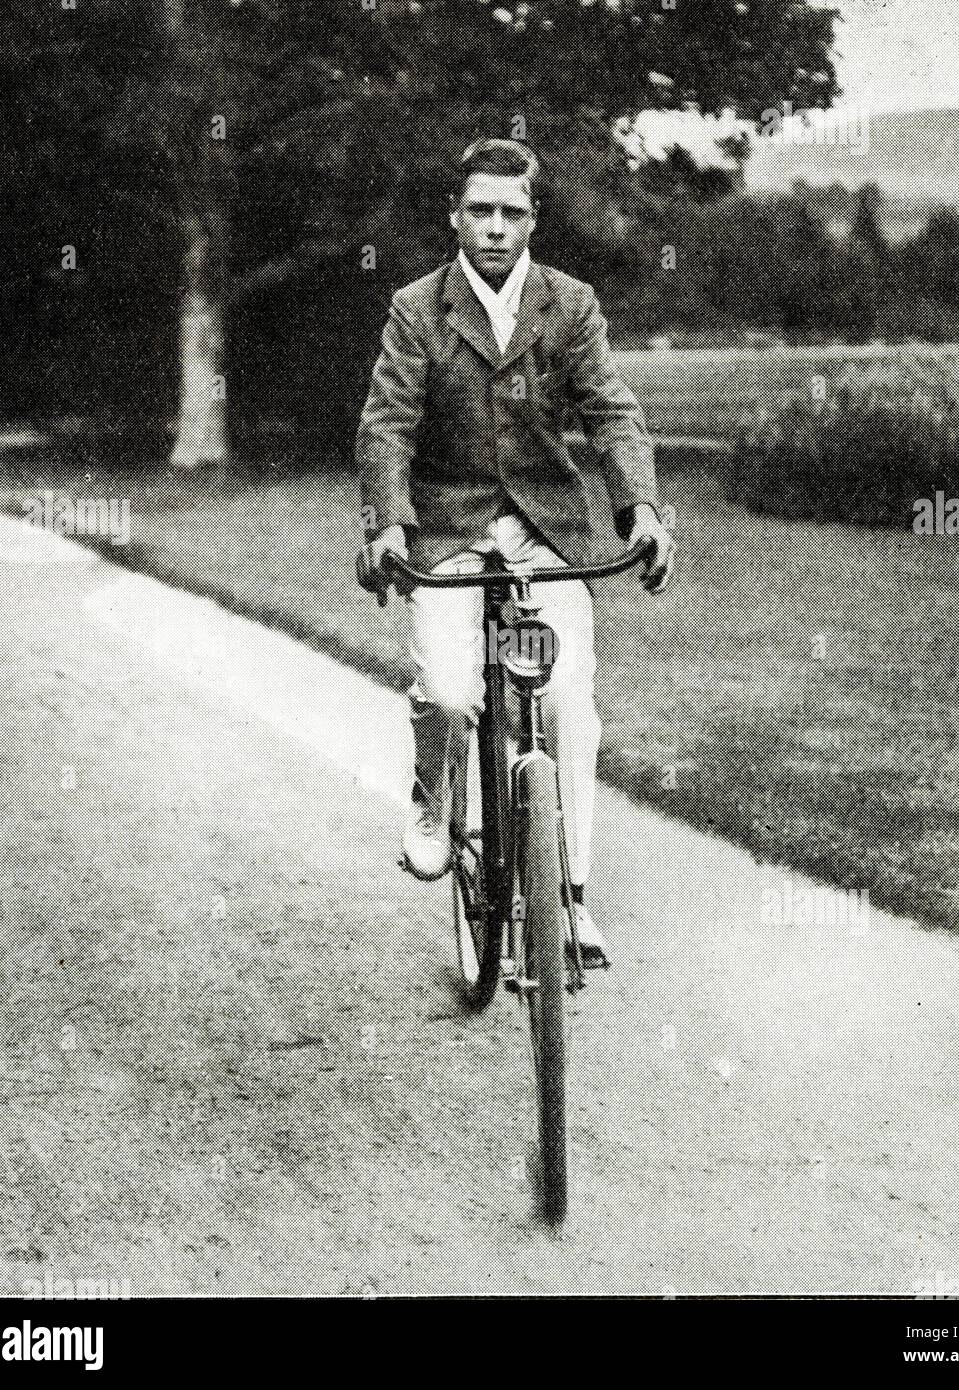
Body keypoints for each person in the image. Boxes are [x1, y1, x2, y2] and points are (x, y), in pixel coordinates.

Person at [356, 137, 674, 965]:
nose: (496, 228)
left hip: (544, 534)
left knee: (570, 704)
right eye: (481, 211)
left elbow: (611, 411)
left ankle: (568, 899)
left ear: (533, 219)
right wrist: (389, 522)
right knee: (453, 693)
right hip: (450, 529)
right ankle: (433, 807)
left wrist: (639, 506)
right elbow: (388, 424)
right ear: (455, 217)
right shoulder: (417, 308)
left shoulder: (569, 304)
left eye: (513, 212)